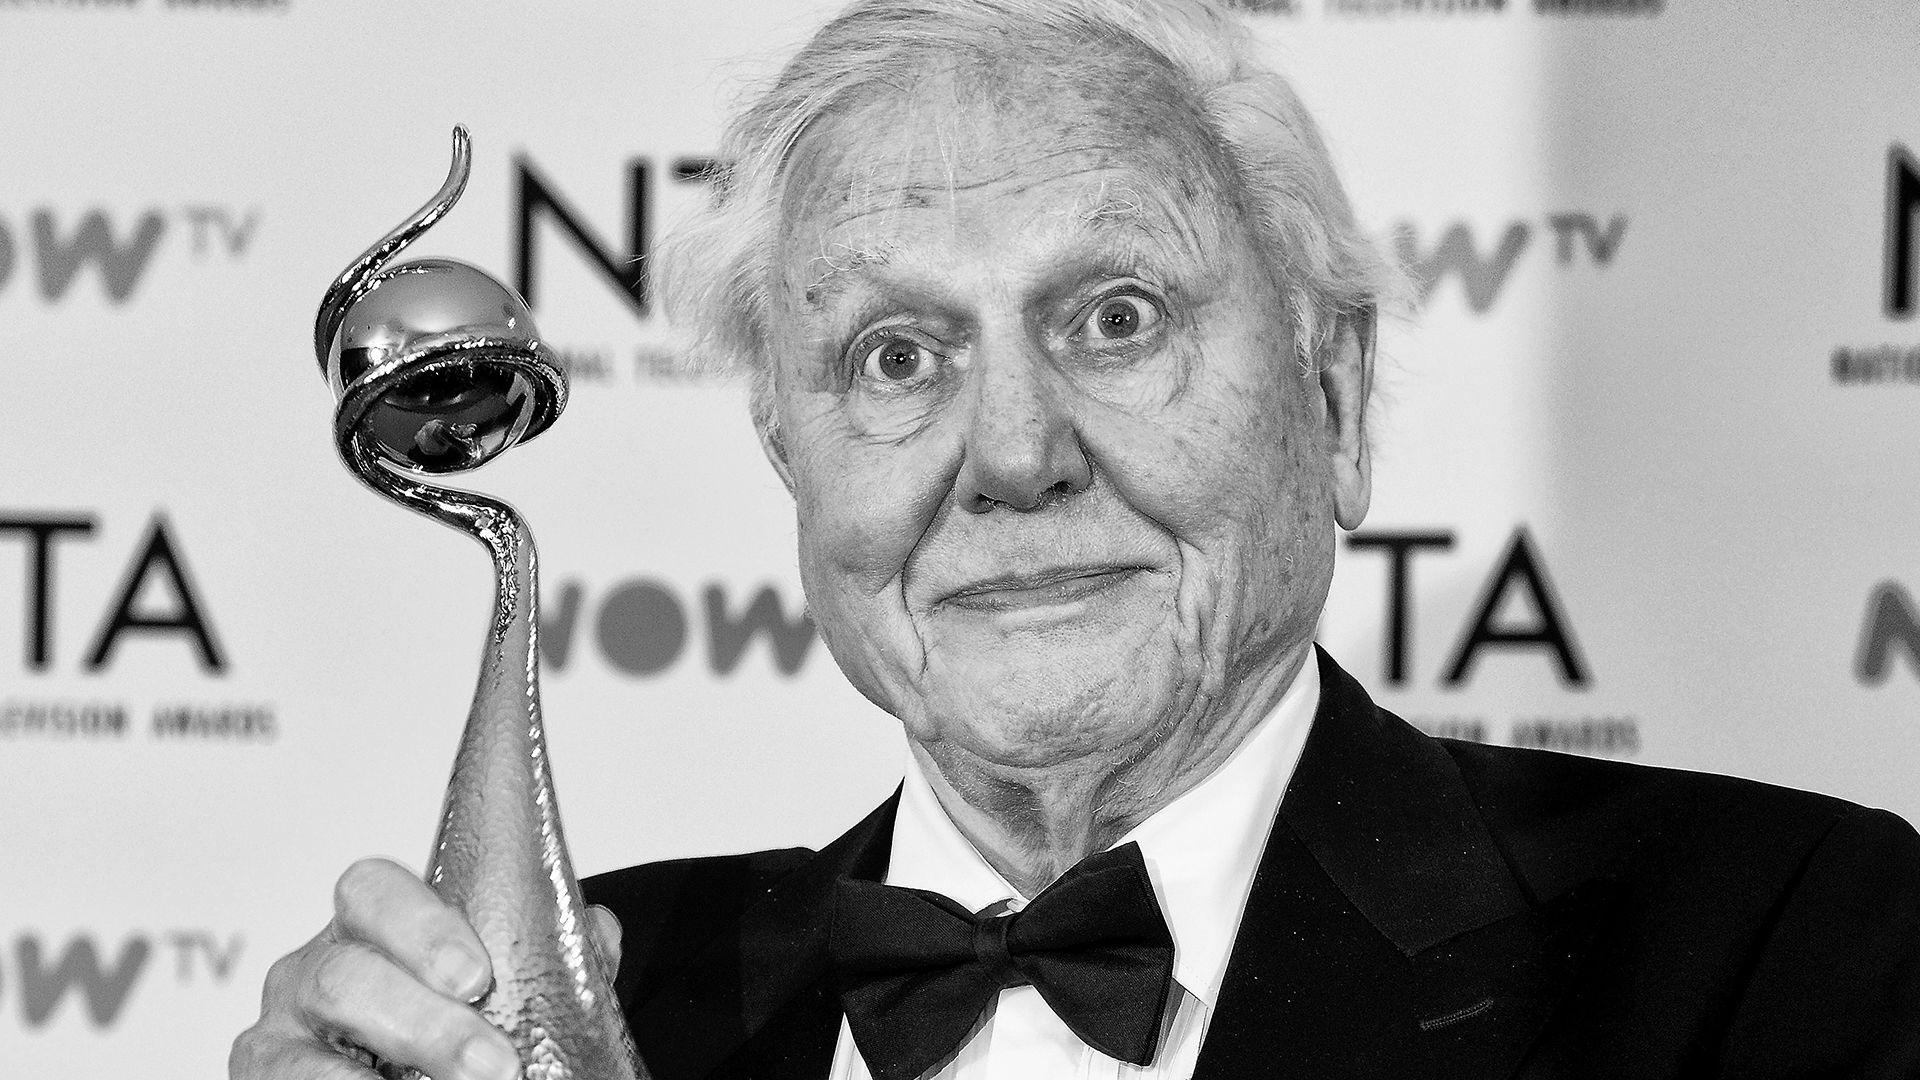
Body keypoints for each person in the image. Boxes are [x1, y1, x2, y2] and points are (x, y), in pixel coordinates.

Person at [230, 1, 1920, 1077]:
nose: (1015, 457)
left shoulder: (1785, 957)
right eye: (897, 358)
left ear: (1333, 398)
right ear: (792, 462)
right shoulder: (592, 1005)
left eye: (1115, 318)